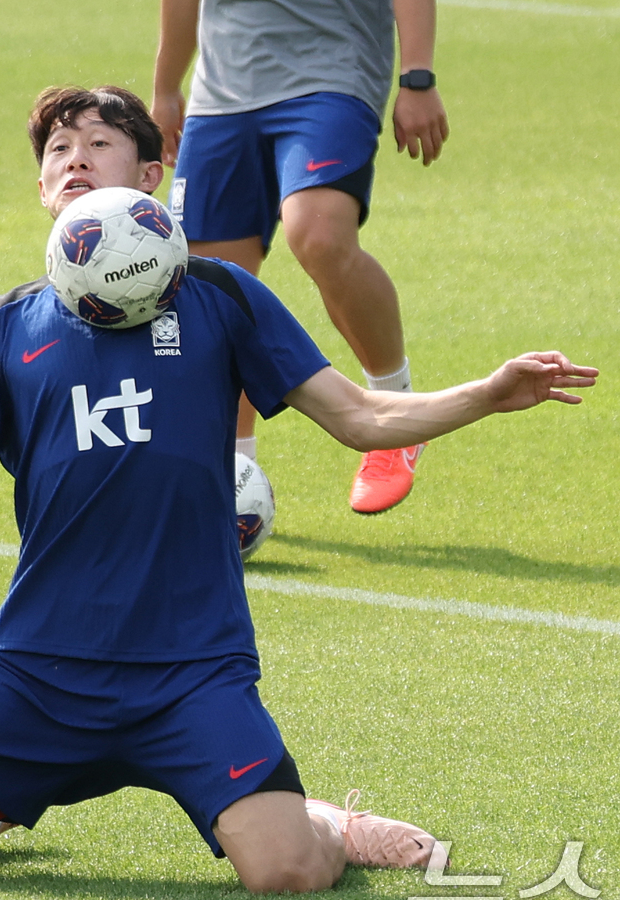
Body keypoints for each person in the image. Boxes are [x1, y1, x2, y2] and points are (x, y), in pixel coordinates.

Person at [0, 86, 595, 893]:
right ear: (43, 190)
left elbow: (359, 415)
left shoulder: (221, 295)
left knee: (287, 872)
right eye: (58, 150)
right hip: (39, 669)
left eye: (98, 144)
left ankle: (328, 823)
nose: (74, 158)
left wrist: (486, 394)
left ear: (150, 177)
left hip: (192, 670)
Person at [152, 0, 451, 515]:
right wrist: (164, 88)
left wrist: (417, 77)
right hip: (221, 94)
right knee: (212, 286)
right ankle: (232, 474)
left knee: (319, 235)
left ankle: (396, 418)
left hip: (332, 74)